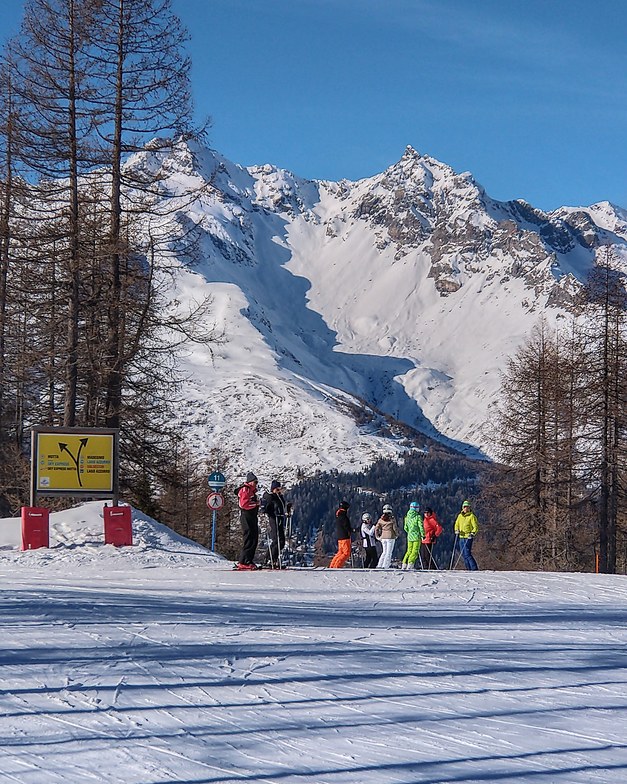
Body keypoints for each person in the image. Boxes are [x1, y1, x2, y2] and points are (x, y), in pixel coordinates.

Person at [236, 472, 260, 570]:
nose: (256, 484)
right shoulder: (245, 490)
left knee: (254, 538)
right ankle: (243, 561)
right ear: (250, 482)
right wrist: (256, 504)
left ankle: (248, 560)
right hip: (247, 516)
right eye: (255, 482)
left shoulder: (251, 491)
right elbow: (244, 504)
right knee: (249, 538)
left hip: (252, 516)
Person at [264, 479, 287, 568]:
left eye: (280, 489)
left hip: (280, 518)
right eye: (277, 489)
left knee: (281, 541)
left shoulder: (279, 497)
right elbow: (267, 507)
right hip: (274, 518)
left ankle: (273, 559)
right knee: (277, 539)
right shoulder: (271, 497)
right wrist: (271, 513)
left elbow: (281, 506)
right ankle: (270, 559)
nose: (279, 491)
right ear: (273, 489)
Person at [454, 500, 479, 571]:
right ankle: (468, 569)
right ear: (462, 508)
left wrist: (472, 533)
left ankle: (474, 569)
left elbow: (475, 527)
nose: (466, 508)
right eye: (464, 507)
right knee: (463, 554)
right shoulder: (460, 516)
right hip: (461, 537)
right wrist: (456, 530)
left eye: (467, 507)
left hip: (468, 537)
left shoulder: (472, 516)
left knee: (467, 554)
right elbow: (456, 524)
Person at [401, 501, 424, 570]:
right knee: (415, 551)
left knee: (409, 550)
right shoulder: (418, 517)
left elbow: (405, 527)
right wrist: (423, 534)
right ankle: (410, 563)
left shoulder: (407, 517)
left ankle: (404, 563)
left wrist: (410, 532)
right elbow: (421, 526)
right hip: (416, 536)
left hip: (409, 536)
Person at [330, 501, 352, 568]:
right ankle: (337, 566)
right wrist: (352, 530)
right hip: (345, 537)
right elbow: (346, 526)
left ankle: (332, 566)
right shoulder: (343, 516)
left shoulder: (338, 515)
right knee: (346, 553)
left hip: (340, 537)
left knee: (340, 552)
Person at [375, 504, 399, 569]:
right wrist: (397, 534)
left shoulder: (381, 519)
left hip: (383, 537)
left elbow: (376, 528)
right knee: (389, 552)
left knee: (384, 552)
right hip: (390, 537)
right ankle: (385, 566)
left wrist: (377, 536)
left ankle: (379, 565)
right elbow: (395, 528)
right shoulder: (392, 519)